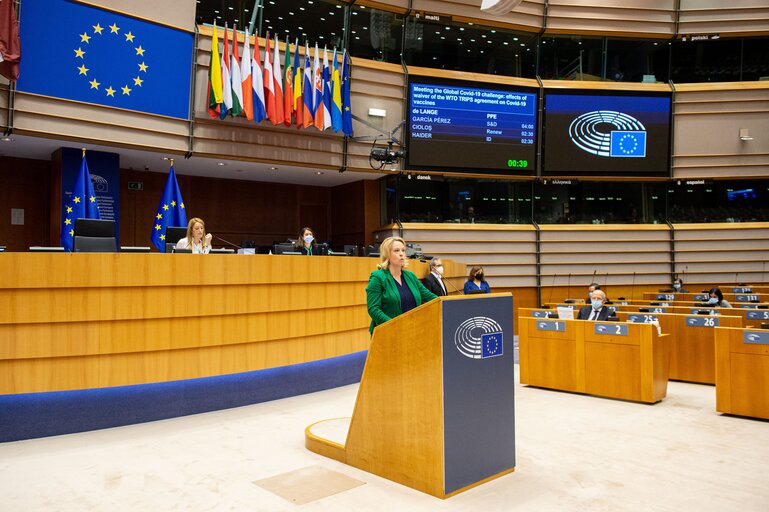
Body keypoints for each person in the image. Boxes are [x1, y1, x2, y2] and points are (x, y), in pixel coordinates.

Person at [366, 236, 438, 334]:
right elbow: (373, 309)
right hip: (388, 333)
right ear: (387, 254)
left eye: (403, 250)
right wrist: (394, 325)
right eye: (396, 250)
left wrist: (447, 302)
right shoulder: (378, 277)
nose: (401, 254)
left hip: (413, 331)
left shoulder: (410, 276)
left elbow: (431, 297)